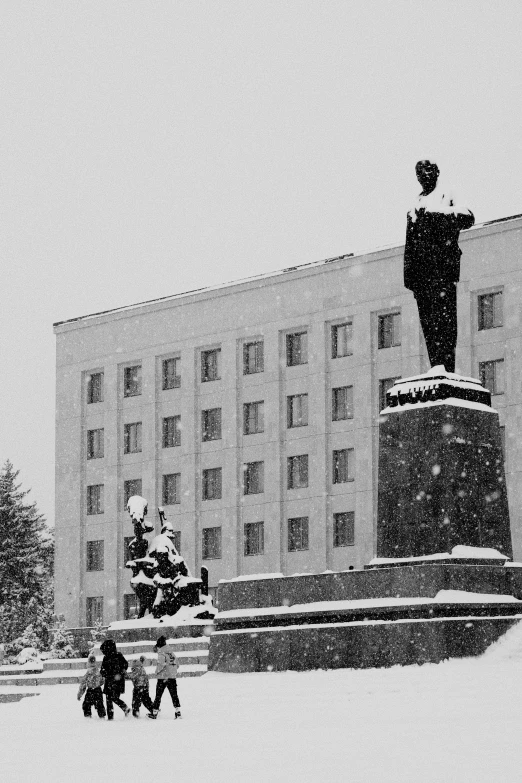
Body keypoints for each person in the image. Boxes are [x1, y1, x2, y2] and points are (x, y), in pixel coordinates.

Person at [404, 160, 474, 373]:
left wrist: (435, 214)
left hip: (442, 271)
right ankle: (437, 367)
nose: (423, 175)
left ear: (436, 172)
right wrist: (409, 277)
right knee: (429, 326)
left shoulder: (447, 194)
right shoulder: (415, 204)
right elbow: (410, 243)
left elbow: (467, 216)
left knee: (445, 323)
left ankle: (446, 369)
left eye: (427, 170)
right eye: (419, 172)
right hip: (422, 275)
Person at [150, 635, 181, 719]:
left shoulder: (162, 652)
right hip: (172, 677)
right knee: (174, 695)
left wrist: (156, 672)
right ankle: (178, 712)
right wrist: (172, 671)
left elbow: (161, 664)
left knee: (158, 696)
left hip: (163, 678)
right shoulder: (171, 653)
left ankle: (155, 713)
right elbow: (177, 664)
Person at [100, 639, 130, 720]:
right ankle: (112, 714)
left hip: (115, 681)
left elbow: (125, 665)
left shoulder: (114, 656)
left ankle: (117, 712)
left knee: (112, 698)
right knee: (111, 698)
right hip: (114, 681)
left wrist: (119, 671)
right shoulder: (113, 656)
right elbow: (102, 670)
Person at [77, 654, 106, 718]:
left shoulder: (88, 673)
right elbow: (102, 681)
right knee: (99, 704)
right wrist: (98, 684)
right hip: (98, 690)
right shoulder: (98, 672)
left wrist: (79, 694)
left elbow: (83, 684)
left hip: (90, 690)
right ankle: (101, 716)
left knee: (86, 704)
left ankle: (88, 717)